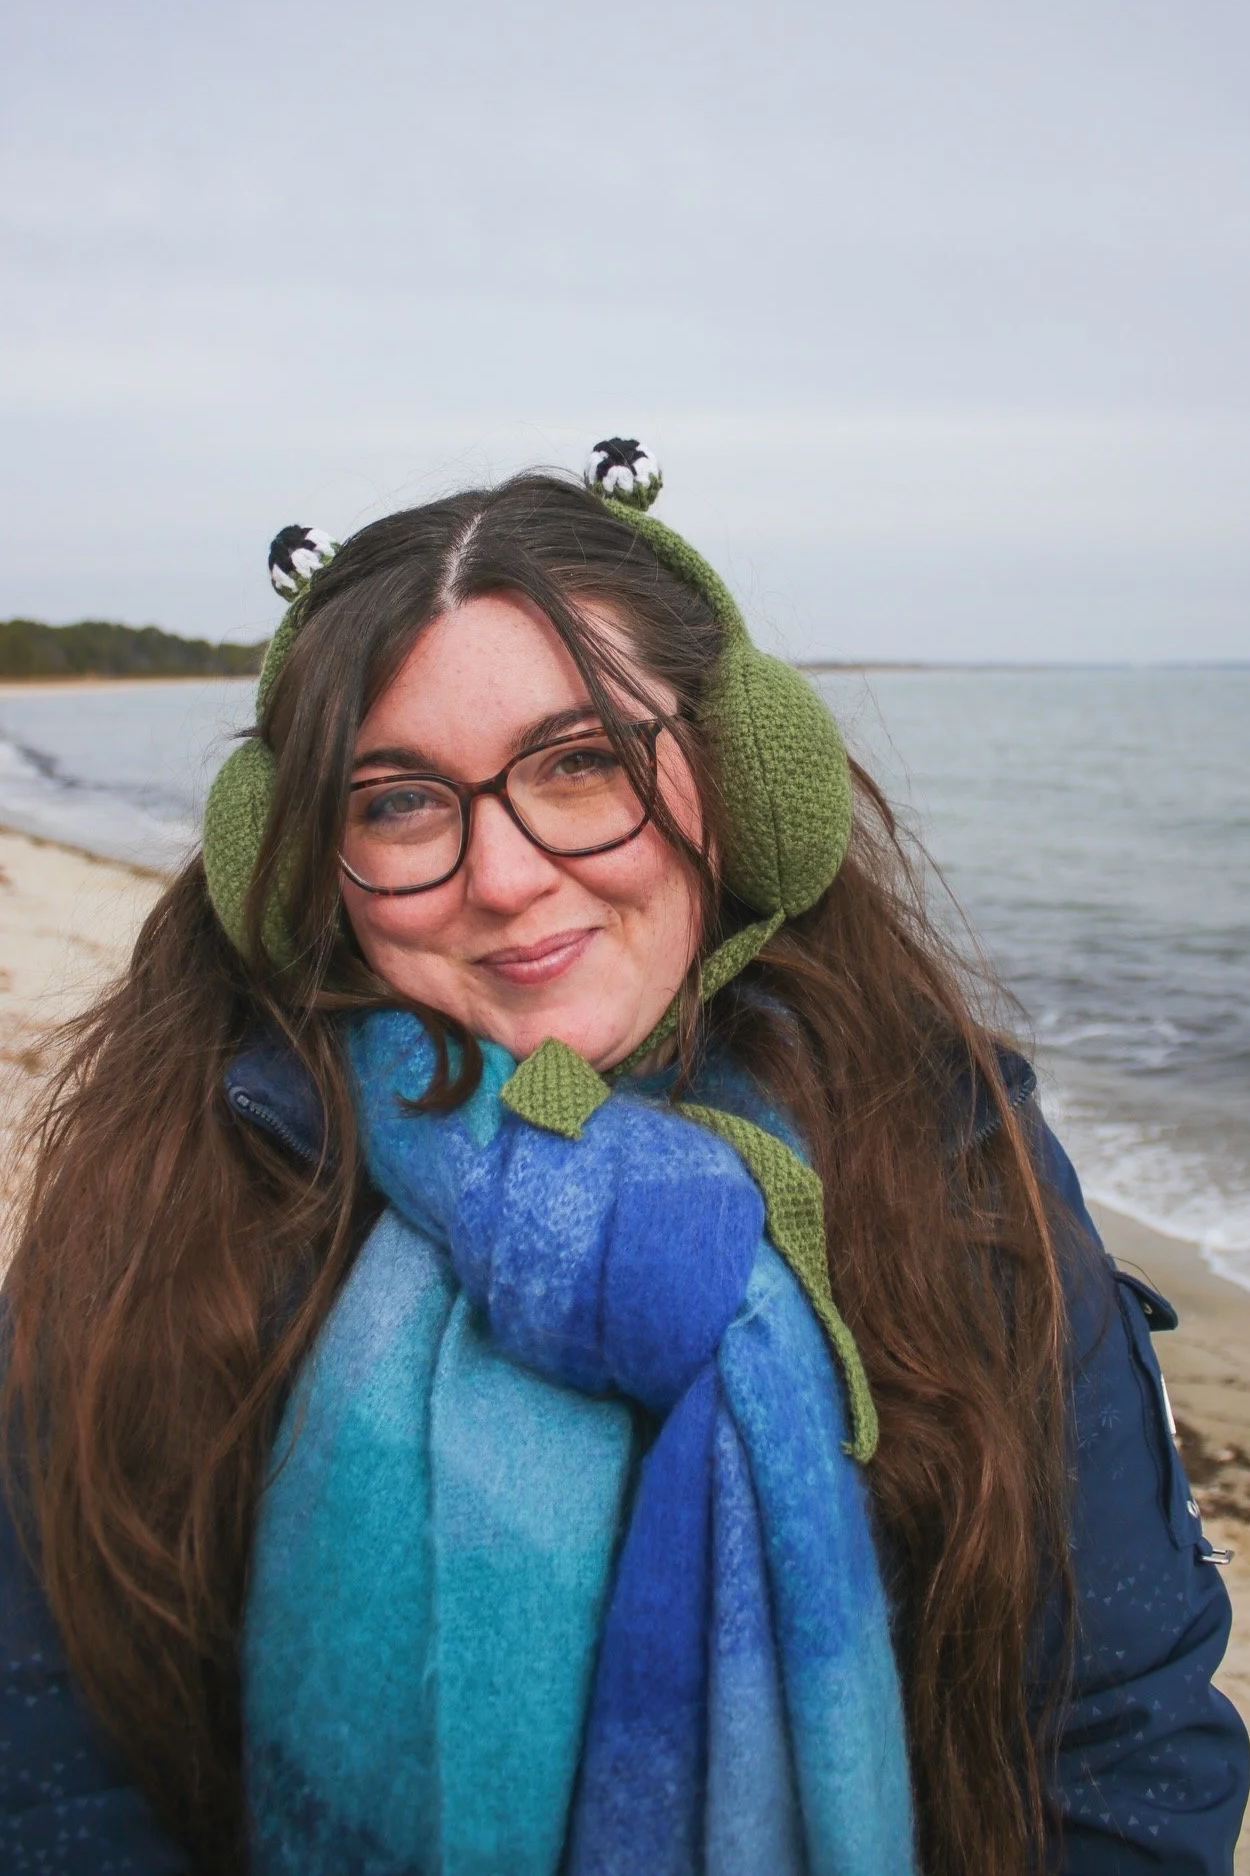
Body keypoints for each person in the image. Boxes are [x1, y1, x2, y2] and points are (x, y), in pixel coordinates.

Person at [1, 440, 1246, 1876]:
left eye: (579, 762)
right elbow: (54, 1772)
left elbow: (1120, 1741)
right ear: (291, 863)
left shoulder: (947, 1156)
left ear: (735, 775)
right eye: (398, 799)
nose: (505, 875)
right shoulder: (181, 1187)